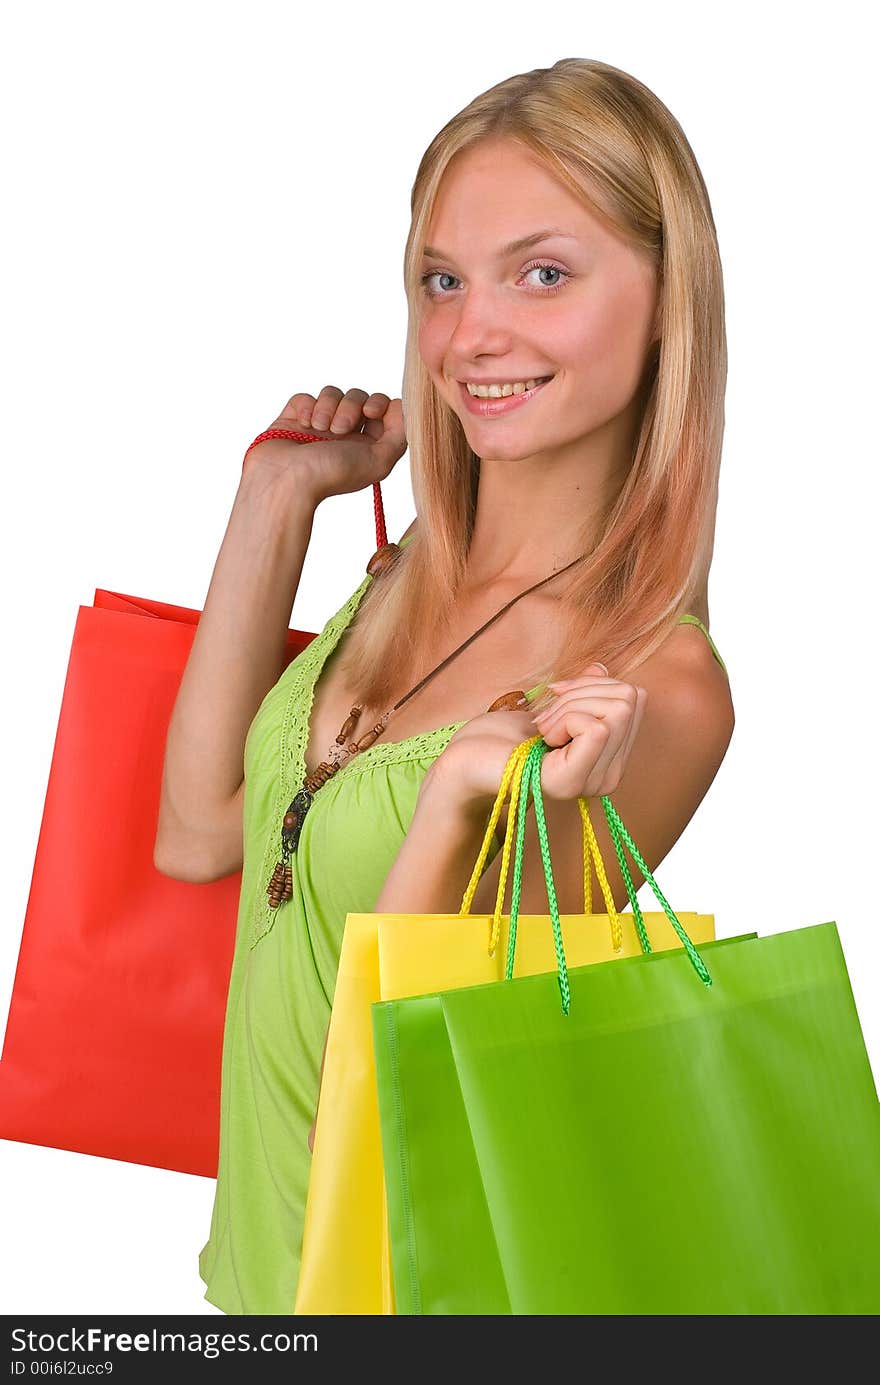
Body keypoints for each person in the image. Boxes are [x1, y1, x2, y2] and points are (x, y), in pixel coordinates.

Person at [154, 56, 735, 1315]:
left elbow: (414, 1085)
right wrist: (273, 507)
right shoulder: (405, 571)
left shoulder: (655, 683)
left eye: (543, 273)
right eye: (441, 279)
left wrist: (462, 796)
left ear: (662, 301)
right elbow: (202, 834)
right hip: (253, 1293)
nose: (472, 333)